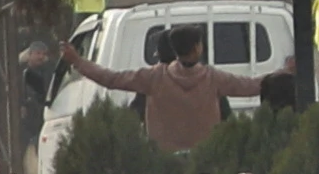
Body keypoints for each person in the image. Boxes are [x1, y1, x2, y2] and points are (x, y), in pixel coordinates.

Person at [62, 22, 265, 157]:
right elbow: (251, 86)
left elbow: (111, 79)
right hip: (205, 160)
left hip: (164, 161)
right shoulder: (213, 78)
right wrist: (286, 71)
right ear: (197, 48)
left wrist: (78, 61)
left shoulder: (154, 78)